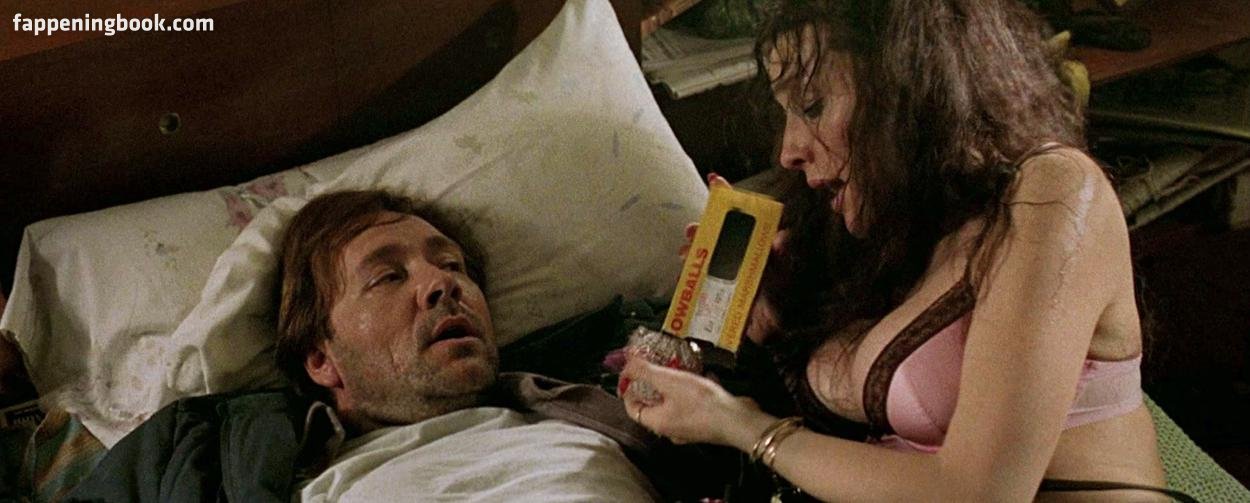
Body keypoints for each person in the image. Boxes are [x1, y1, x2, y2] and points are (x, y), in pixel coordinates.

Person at [620, 0, 1184, 501]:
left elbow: (980, 493)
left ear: (909, 86)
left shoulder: (1054, 192)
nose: (789, 150)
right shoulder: (903, 233)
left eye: (812, 107)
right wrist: (779, 317)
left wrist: (740, 426)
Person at [67, 190, 677, 502]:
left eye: (452, 265)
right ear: (320, 359)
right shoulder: (218, 458)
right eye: (387, 277)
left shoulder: (611, 387)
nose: (442, 285)